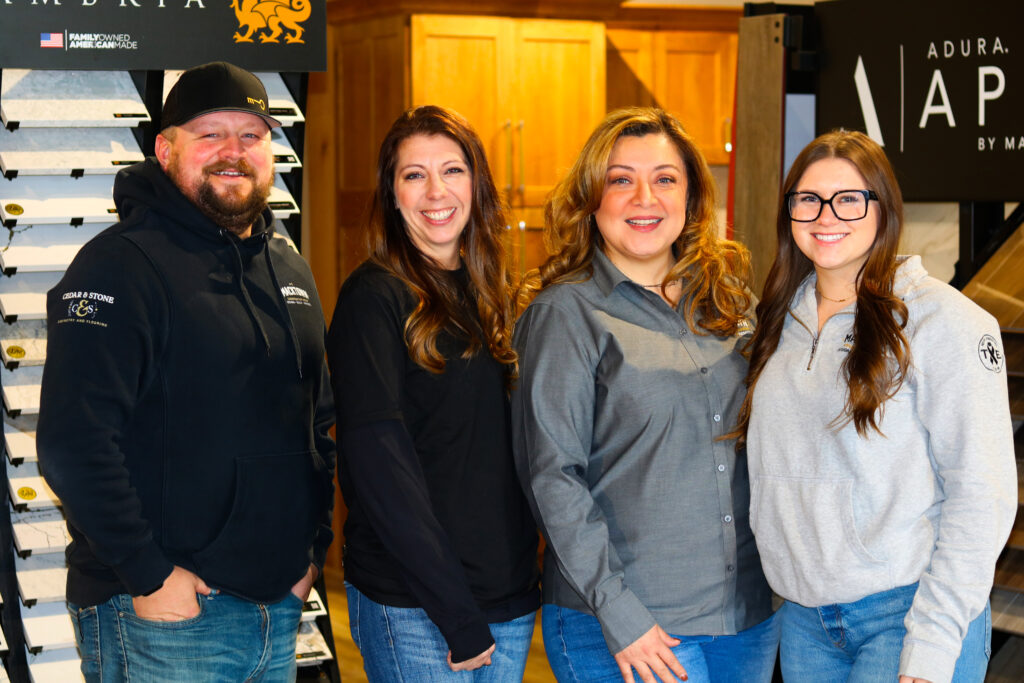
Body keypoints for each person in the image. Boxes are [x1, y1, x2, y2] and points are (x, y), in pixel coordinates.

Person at [37, 61, 335, 682]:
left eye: (251, 135)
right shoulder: (117, 267)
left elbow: (319, 423)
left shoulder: (289, 266)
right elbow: (74, 444)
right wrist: (149, 574)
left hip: (276, 610)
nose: (234, 152)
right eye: (210, 135)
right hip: (165, 617)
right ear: (165, 150)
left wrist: (312, 550)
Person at [735, 129, 1017, 683]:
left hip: (908, 613)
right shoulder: (772, 321)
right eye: (808, 199)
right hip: (804, 619)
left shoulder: (946, 324)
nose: (825, 215)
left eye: (848, 198)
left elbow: (982, 493)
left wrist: (933, 644)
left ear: (882, 208)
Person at [512, 107, 777, 683]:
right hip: (629, 625)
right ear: (592, 198)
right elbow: (552, 475)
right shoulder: (565, 314)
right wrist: (621, 613)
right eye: (620, 179)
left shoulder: (731, 304)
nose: (644, 198)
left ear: (690, 197)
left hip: (748, 617)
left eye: (664, 179)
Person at [326, 105, 540, 682]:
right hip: (417, 605)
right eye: (413, 175)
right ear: (392, 195)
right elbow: (379, 469)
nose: (435, 191)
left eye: (452, 170)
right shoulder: (373, 299)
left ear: (477, 184)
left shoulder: (497, 295)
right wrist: (455, 613)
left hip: (510, 600)